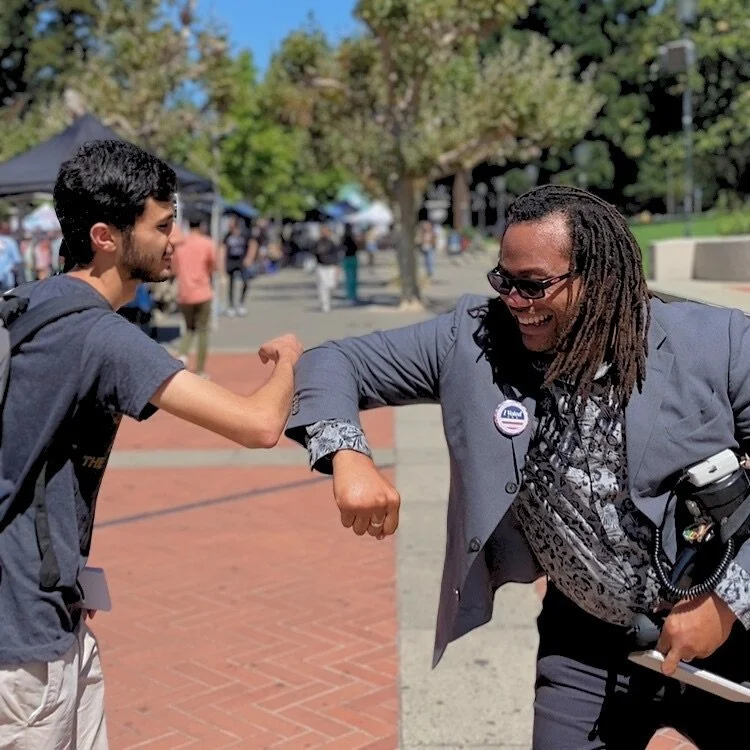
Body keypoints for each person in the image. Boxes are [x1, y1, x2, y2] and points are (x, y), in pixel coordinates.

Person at [286, 184, 750, 749]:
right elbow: (333, 360)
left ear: (599, 278)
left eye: (533, 285)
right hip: (587, 643)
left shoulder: (719, 344)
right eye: (503, 281)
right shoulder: (474, 340)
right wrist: (347, 454)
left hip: (730, 639)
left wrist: (726, 599)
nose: (514, 300)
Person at [0, 139, 302, 750]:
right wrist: (289, 359)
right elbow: (256, 424)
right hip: (24, 643)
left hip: (46, 615)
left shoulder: (32, 304)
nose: (174, 239)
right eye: (162, 225)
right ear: (107, 236)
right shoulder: (97, 334)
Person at [172, 217, 216, 377]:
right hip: (203, 292)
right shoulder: (207, 243)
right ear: (202, 225)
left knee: (189, 329)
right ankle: (200, 369)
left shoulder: (180, 246)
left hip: (185, 293)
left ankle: (181, 359)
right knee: (202, 331)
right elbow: (213, 266)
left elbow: (175, 269)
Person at [221, 215, 255, 317]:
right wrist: (222, 265)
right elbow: (223, 248)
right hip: (231, 261)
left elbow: (253, 244)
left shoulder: (244, 234)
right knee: (231, 284)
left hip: (242, 261)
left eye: (230, 222)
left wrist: (249, 257)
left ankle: (241, 303)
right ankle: (231, 305)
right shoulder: (227, 236)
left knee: (245, 282)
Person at [312, 224, 341, 313]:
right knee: (322, 286)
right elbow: (313, 253)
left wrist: (337, 266)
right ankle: (325, 304)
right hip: (321, 266)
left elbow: (336, 255)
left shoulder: (332, 242)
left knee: (331, 285)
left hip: (331, 266)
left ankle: (327, 301)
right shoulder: (317, 243)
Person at [341, 223, 360, 304]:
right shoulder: (352, 239)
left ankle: (350, 295)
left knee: (349, 278)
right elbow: (356, 248)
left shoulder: (343, 239)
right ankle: (352, 295)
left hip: (347, 259)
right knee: (353, 278)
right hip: (352, 258)